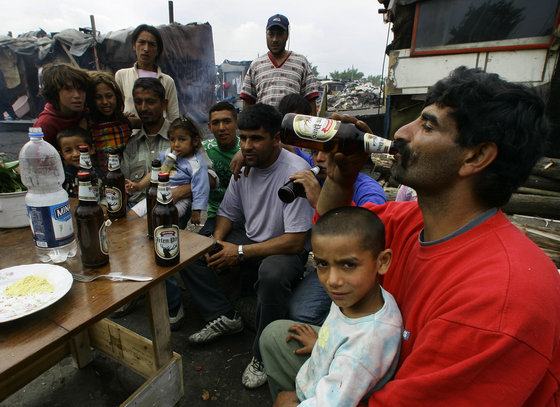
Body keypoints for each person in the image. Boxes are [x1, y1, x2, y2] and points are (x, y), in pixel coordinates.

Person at [263, 66, 560, 406]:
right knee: (276, 337)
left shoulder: (499, 300)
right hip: (387, 364)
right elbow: (337, 229)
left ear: (475, 156)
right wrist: (343, 178)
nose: (402, 132)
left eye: (427, 125)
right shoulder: (413, 220)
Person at [180, 103, 314, 389]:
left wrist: (238, 253)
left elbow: (295, 241)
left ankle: (263, 355)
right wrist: (216, 241)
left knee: (272, 274)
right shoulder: (245, 166)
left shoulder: (295, 173)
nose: (247, 146)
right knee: (193, 249)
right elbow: (229, 212)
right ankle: (224, 315)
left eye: (256, 138)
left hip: (285, 248)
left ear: (276, 139)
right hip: (250, 238)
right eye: (244, 139)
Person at [260, 206, 402, 405]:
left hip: (321, 397)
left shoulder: (365, 348)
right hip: (320, 376)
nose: (332, 280)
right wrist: (322, 346)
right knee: (273, 335)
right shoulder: (357, 296)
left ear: (382, 261)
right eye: (322, 264)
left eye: (348, 265)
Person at [287, 149, 387, 325]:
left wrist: (321, 202)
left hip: (356, 271)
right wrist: (243, 152)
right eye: (314, 151)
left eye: (329, 152)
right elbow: (284, 145)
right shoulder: (318, 168)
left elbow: (371, 240)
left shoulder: (369, 192)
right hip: (328, 264)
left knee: (305, 314)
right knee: (299, 310)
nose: (319, 158)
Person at [122, 77, 190, 209]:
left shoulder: (182, 138)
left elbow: (209, 178)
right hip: (134, 215)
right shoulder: (131, 144)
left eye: (150, 102)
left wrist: (178, 193)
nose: (143, 108)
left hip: (170, 212)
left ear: (164, 104)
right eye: (138, 102)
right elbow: (124, 186)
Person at [240, 14, 319, 113]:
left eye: (280, 34)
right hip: (264, 126)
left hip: (292, 126)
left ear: (287, 35)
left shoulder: (301, 62)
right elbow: (248, 101)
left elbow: (310, 99)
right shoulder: (256, 65)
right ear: (266, 35)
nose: (275, 39)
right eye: (271, 34)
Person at [115, 24, 180, 124]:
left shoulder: (167, 81)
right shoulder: (122, 76)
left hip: (160, 137)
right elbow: (116, 111)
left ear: (158, 50)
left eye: (152, 44)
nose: (146, 48)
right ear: (134, 45)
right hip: (131, 136)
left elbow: (174, 117)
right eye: (141, 42)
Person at [158, 116, 210, 226]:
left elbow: (201, 186)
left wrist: (196, 210)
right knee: (139, 213)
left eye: (182, 139)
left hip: (181, 199)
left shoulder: (196, 163)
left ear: (195, 141)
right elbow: (156, 171)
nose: (176, 144)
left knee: (166, 220)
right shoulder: (167, 154)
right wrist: (138, 185)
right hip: (162, 192)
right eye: (172, 139)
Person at [200, 101, 241, 236]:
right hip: (215, 215)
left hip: (244, 216)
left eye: (227, 121)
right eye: (216, 123)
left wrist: (244, 152)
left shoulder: (248, 148)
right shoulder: (203, 150)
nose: (221, 127)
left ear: (236, 123)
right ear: (209, 127)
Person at [34, 63, 90, 146]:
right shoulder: (45, 124)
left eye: (81, 89)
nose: (77, 95)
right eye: (68, 89)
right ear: (55, 93)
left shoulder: (85, 112)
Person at [87, 71, 132, 172]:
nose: (105, 102)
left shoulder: (125, 122)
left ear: (116, 96)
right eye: (98, 97)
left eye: (109, 96)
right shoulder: (88, 126)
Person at [56, 127, 103, 198]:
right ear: (62, 154)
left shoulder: (97, 173)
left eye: (81, 148)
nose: (75, 154)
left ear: (92, 149)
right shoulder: (61, 176)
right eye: (68, 150)